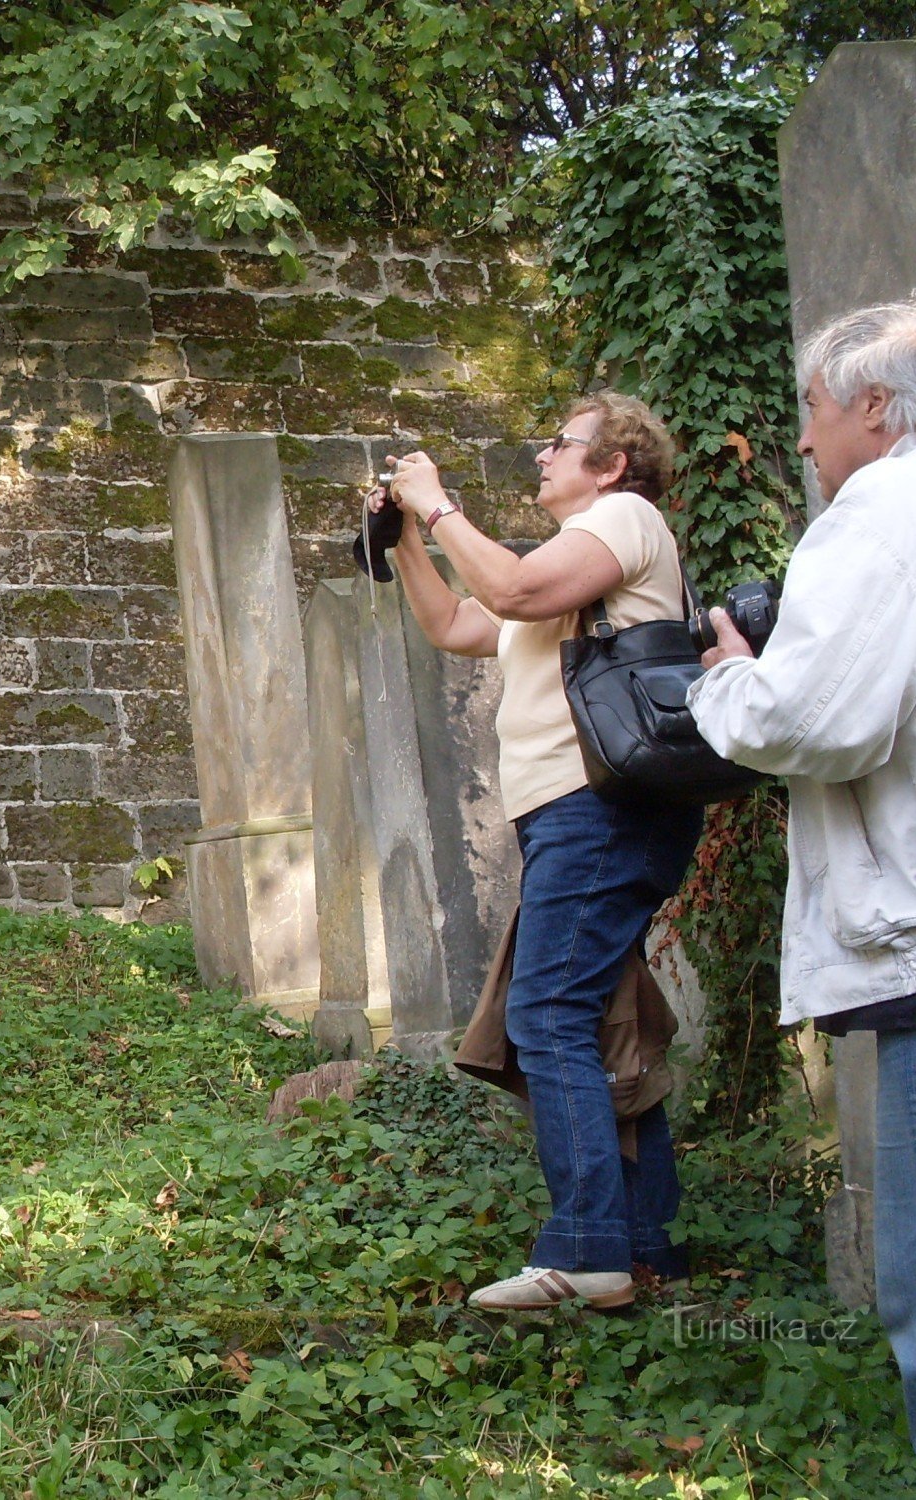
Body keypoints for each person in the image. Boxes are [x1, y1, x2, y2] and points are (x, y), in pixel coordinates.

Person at [688, 300, 916, 1500]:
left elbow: (815, 720)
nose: (801, 442)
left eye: (810, 408)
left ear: (874, 406)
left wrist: (731, 681)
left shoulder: (884, 511)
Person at [372, 392, 702, 1312]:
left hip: (600, 811)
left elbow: (509, 589)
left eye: (565, 443)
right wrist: (403, 537)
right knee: (604, 1020)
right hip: (574, 819)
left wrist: (439, 505)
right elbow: (458, 625)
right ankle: (647, 1249)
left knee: (548, 1014)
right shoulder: (564, 573)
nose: (544, 455)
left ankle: (588, 1250)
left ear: (612, 466)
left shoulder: (624, 520)